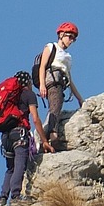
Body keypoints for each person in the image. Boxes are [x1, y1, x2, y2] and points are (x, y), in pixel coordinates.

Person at [0, 71, 54, 206]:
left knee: (10, 168)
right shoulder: (28, 95)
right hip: (19, 134)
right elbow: (35, 118)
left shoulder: (10, 97)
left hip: (5, 137)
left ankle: (2, 199)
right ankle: (15, 197)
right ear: (27, 82)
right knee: (20, 164)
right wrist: (45, 140)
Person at [38, 21, 83, 150]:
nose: (71, 41)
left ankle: (47, 137)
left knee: (56, 105)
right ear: (61, 34)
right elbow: (42, 66)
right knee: (55, 106)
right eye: (70, 37)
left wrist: (79, 98)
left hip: (61, 83)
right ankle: (52, 135)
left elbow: (70, 80)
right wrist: (42, 84)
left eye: (73, 39)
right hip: (52, 81)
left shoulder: (68, 57)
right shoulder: (51, 47)